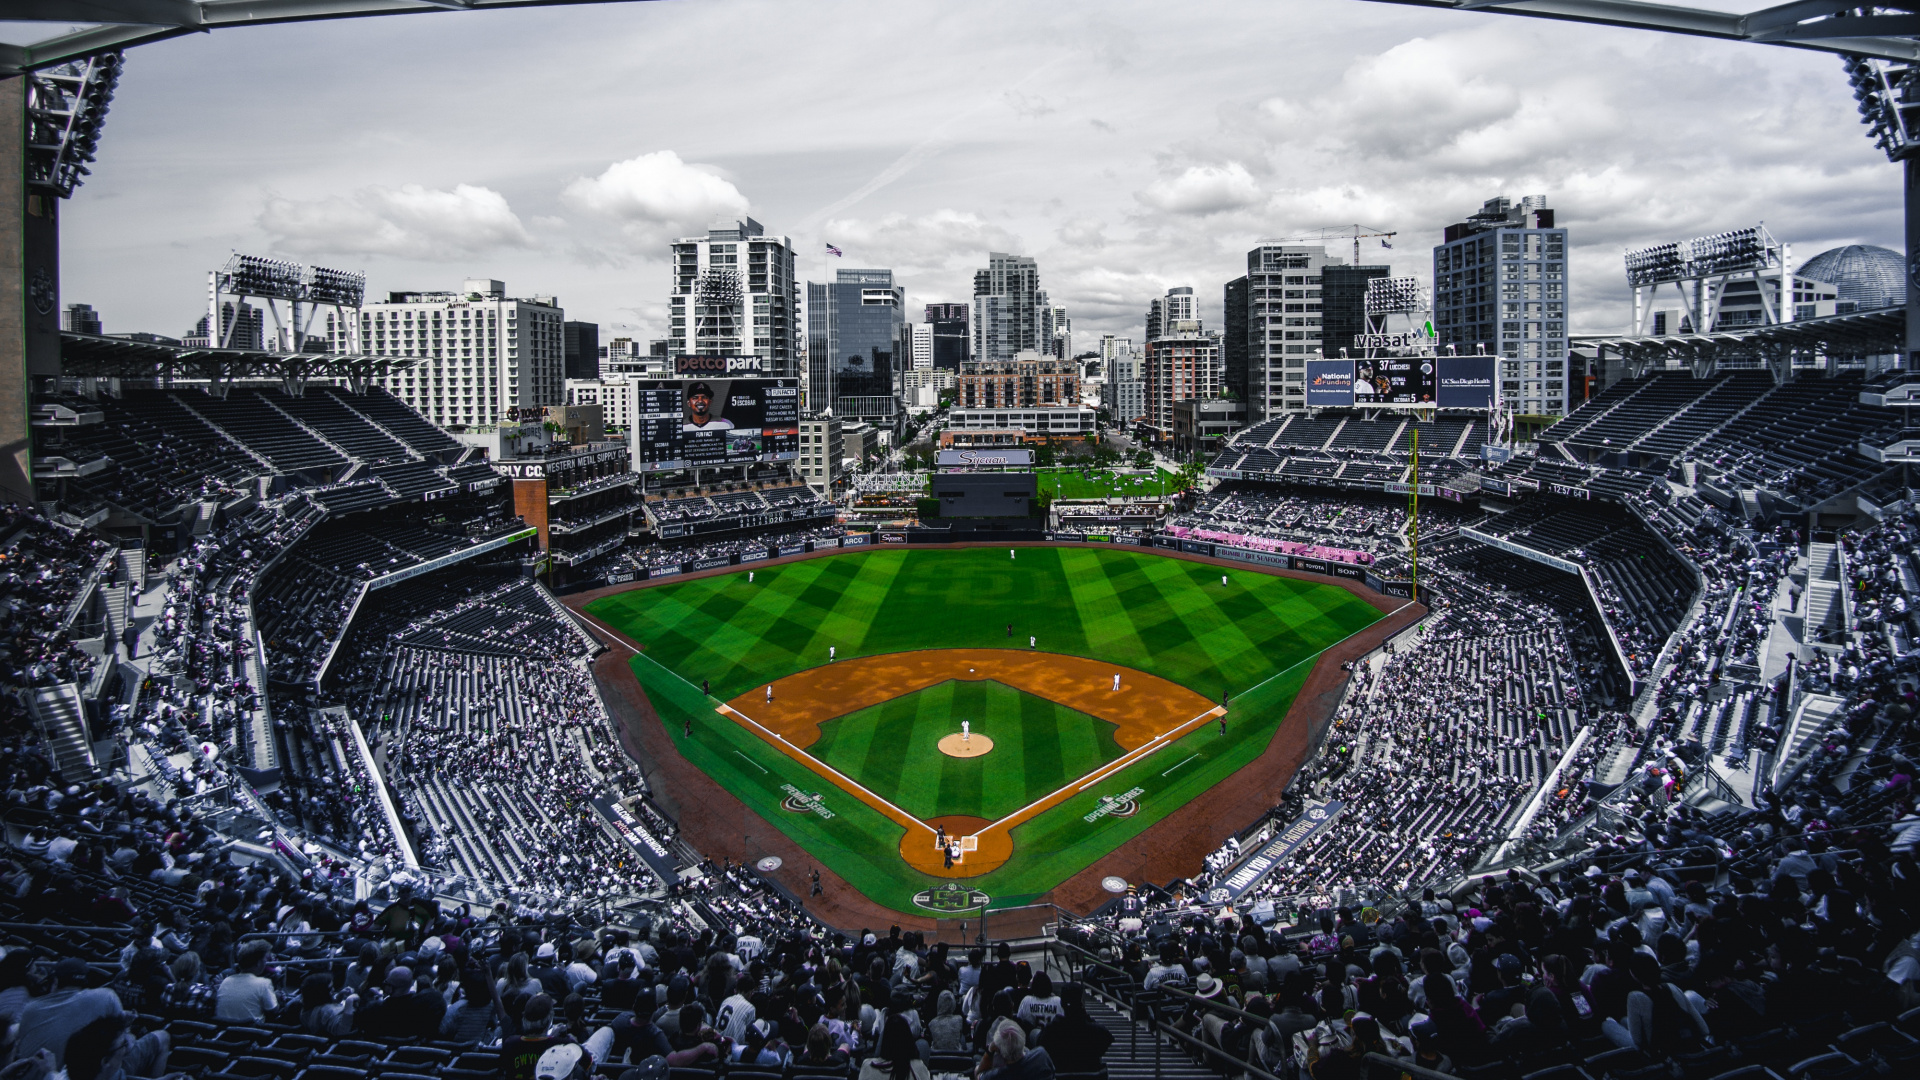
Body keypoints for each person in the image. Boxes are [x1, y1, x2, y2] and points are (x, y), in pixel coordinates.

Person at [1035, 985, 1111, 1073]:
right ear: (1081, 1003)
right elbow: (1108, 1038)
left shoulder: (1051, 1030)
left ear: (1061, 1003)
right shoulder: (1095, 1031)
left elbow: (1040, 1045)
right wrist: (1085, 1016)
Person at [215, 940, 278, 1022]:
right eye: (265, 959)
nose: (266, 962)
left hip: (225, 1031)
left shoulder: (226, 981)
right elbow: (272, 1011)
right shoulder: (264, 983)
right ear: (258, 963)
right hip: (251, 1032)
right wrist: (277, 999)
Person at [978, 1018, 1053, 1080]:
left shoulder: (994, 1076)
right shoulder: (1041, 1055)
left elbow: (978, 1074)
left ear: (1000, 1051)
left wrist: (990, 1050)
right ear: (1022, 1040)